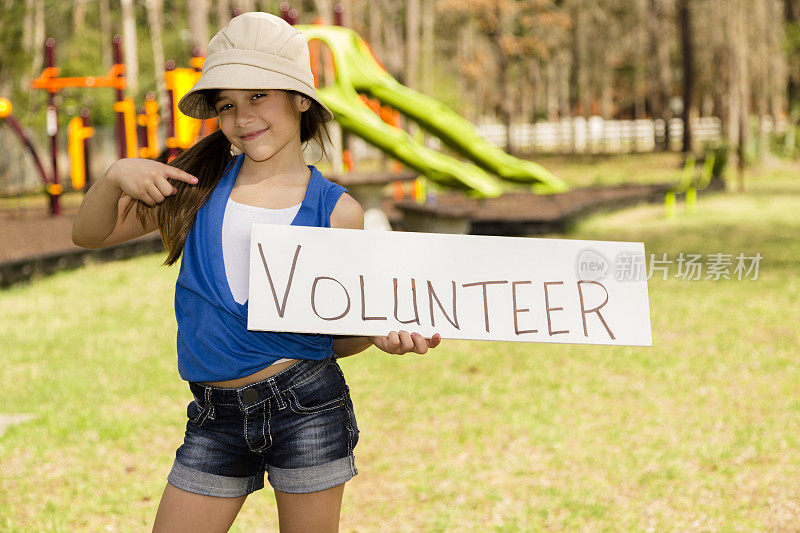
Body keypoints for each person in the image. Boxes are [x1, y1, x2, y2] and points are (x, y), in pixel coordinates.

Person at [71, 12, 441, 532]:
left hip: (308, 406)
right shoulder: (191, 188)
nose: (242, 116)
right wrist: (113, 178)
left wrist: (379, 334)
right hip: (214, 418)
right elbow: (88, 235)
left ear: (300, 99)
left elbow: (335, 336)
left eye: (259, 96)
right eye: (227, 104)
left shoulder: (338, 212)